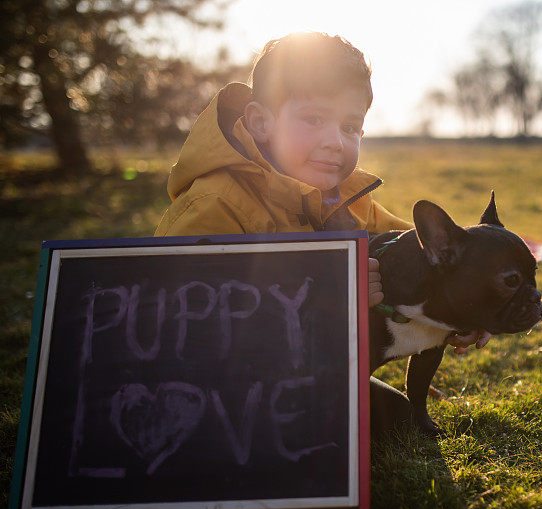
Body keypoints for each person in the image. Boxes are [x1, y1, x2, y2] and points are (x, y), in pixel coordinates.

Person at [155, 32, 490, 433]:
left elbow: (427, 257)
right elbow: (177, 327)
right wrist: (327, 296)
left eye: (350, 127)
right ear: (261, 122)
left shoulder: (349, 202)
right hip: (223, 389)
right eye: (314, 119)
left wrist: (476, 297)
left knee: (394, 422)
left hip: (306, 371)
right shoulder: (212, 206)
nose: (334, 142)